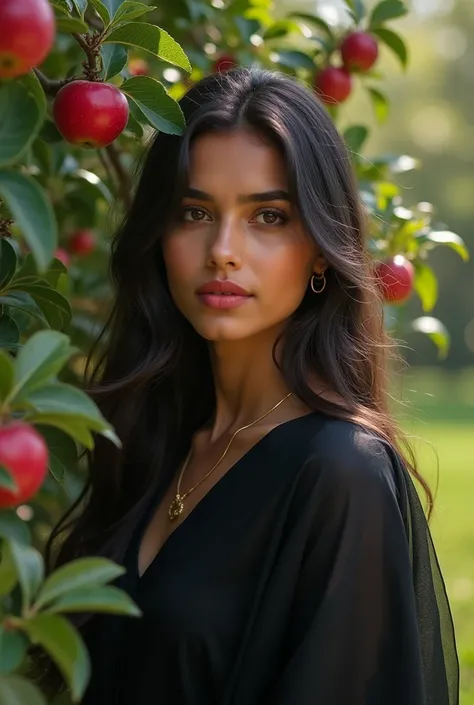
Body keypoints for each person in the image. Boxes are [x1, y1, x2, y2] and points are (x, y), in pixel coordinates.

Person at [47, 67, 458, 705]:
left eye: (268, 215)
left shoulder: (338, 474)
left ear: (321, 250)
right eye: (194, 211)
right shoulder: (154, 437)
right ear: (160, 235)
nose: (223, 250)